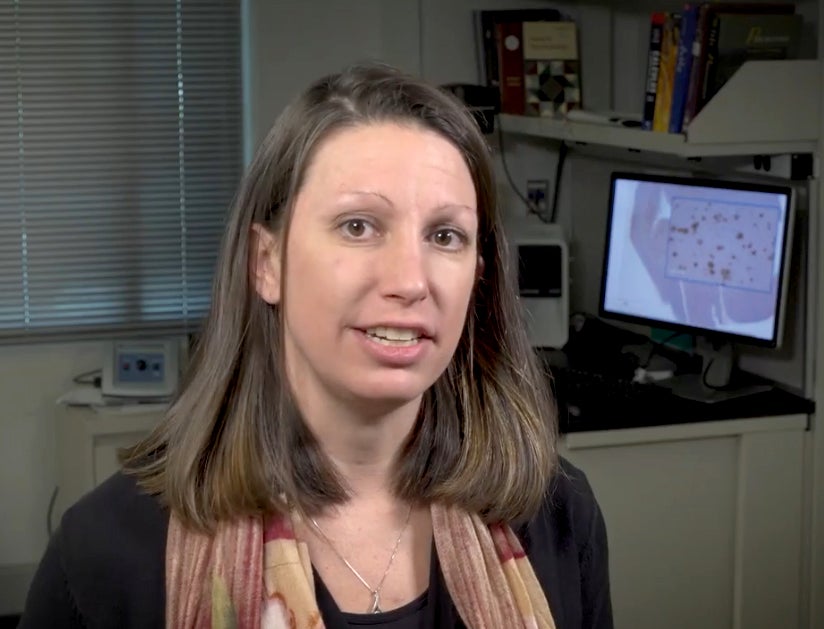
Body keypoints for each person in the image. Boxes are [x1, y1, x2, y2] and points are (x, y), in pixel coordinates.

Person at [18, 62, 613, 629]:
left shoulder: (558, 516)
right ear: (267, 262)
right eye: (359, 226)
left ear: (477, 275)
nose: (410, 280)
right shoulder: (106, 554)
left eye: (445, 235)